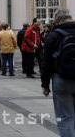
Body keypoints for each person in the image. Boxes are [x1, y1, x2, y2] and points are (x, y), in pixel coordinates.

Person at [41, 9, 75, 137]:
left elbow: (46, 62)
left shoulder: (54, 35)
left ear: (56, 20)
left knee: (66, 117)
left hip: (61, 79)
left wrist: (45, 85)